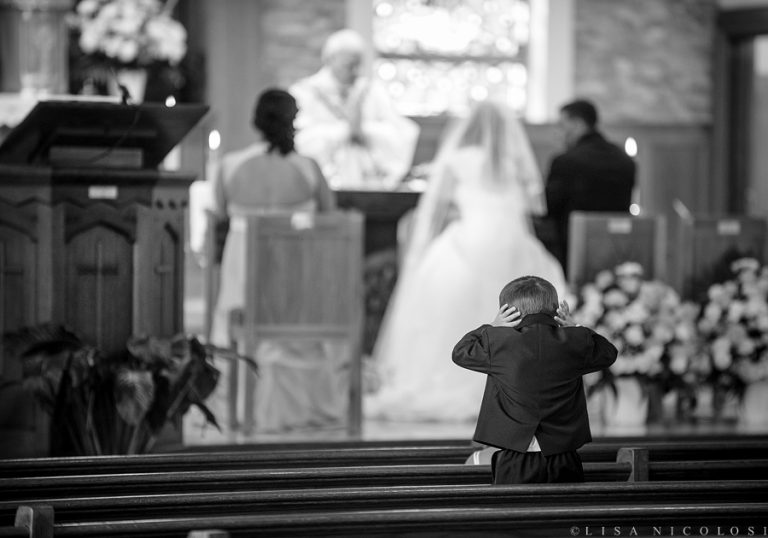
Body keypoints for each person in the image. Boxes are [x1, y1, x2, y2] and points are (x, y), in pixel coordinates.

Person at [363, 99, 567, 423]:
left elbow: (436, 207)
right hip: (513, 243)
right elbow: (533, 205)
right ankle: (522, 386)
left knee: (443, 310)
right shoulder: (513, 162)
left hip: (468, 240)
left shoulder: (457, 159)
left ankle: (454, 375)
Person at [204, 88, 336, 436]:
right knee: (292, 318)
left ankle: (238, 408)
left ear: (257, 122)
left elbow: (216, 215)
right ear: (294, 121)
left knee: (240, 316)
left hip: (242, 288)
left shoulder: (230, 166)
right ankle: (301, 408)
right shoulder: (308, 169)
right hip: (292, 289)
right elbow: (331, 220)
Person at [452, 276, 618, 484]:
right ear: (555, 309)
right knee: (567, 512)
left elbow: (460, 352)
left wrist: (493, 326)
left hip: (514, 455)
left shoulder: (499, 342)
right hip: (563, 454)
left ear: (509, 312)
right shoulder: (574, 341)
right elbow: (608, 353)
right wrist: (575, 326)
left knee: (514, 513)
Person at [289, 29, 419, 189]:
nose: (355, 71)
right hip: (323, 183)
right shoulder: (305, 92)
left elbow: (399, 133)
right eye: (349, 65)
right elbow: (299, 140)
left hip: (369, 182)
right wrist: (344, 132)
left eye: (358, 65)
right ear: (329, 59)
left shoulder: (372, 91)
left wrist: (363, 131)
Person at [545, 99, 636, 272]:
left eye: (561, 125)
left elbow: (549, 207)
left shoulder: (565, 161)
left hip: (572, 254)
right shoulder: (624, 160)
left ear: (578, 124)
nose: (558, 133)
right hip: (617, 254)